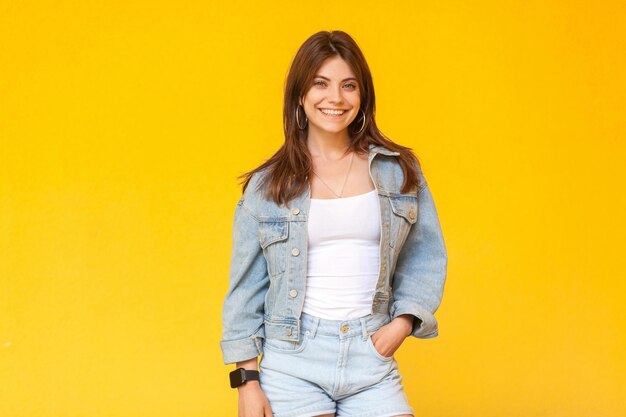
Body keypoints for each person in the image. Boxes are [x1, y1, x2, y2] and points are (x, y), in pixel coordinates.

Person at [221, 30, 448, 417]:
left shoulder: (398, 171)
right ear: (300, 95)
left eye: (349, 86)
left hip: (370, 358)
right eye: (320, 84)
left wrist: (403, 323)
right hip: (293, 360)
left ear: (363, 96)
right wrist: (247, 381)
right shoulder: (266, 185)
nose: (336, 98)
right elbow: (244, 289)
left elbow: (426, 256)